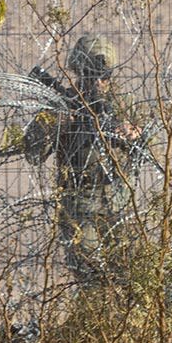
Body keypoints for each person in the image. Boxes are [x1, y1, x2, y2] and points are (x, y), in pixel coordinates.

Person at [24, 34, 142, 288]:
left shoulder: (124, 104)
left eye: (105, 76)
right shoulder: (61, 105)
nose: (100, 83)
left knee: (132, 276)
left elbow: (151, 145)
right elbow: (32, 153)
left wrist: (133, 133)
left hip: (118, 202)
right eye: (92, 76)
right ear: (79, 73)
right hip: (78, 204)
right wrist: (55, 126)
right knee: (91, 279)